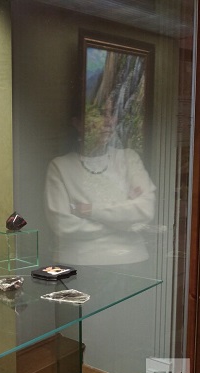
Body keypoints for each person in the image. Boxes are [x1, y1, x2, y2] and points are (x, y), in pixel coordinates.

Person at [44, 111, 156, 266]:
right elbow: (62, 225)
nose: (109, 122)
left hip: (133, 261)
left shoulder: (128, 158)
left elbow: (145, 209)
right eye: (100, 114)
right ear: (77, 123)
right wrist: (124, 222)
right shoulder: (60, 166)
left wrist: (90, 210)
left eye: (112, 114)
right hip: (80, 265)